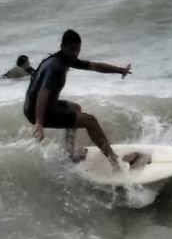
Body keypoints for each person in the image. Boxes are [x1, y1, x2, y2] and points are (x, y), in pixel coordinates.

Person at [24, 29, 135, 168]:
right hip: (38, 110)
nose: (75, 53)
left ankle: (69, 153)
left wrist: (120, 70)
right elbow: (43, 92)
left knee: (75, 108)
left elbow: (95, 66)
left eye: (78, 49)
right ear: (62, 46)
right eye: (72, 49)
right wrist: (39, 123)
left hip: (38, 106)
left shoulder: (64, 58)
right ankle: (114, 160)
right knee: (90, 121)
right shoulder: (56, 67)